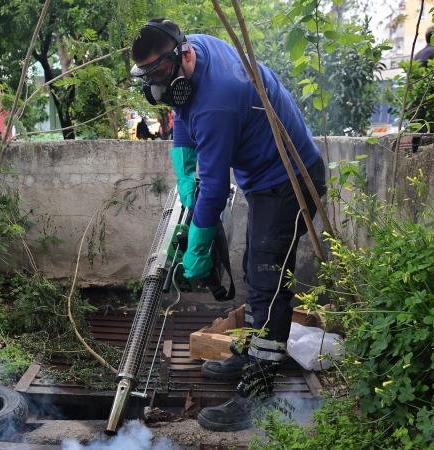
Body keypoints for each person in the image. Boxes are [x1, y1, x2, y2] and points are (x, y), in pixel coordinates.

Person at [129, 18, 327, 431]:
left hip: (290, 181)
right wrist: (184, 165)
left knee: (267, 282)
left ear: (181, 55)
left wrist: (199, 243)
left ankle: (256, 391)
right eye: (147, 76)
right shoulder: (196, 49)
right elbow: (181, 110)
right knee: (257, 268)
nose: (156, 85)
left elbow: (216, 189)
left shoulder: (219, 99)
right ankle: (253, 352)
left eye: (159, 73)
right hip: (265, 178)